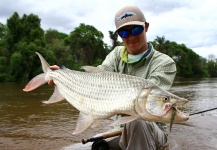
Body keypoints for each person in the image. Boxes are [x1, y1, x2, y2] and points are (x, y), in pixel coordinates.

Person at [49, 5, 176, 150]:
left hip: (152, 130)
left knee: (137, 119)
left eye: (136, 29)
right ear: (119, 35)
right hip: (118, 131)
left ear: (146, 27)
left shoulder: (165, 63)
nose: (131, 37)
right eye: (124, 32)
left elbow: (150, 103)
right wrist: (63, 76)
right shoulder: (116, 54)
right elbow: (98, 79)